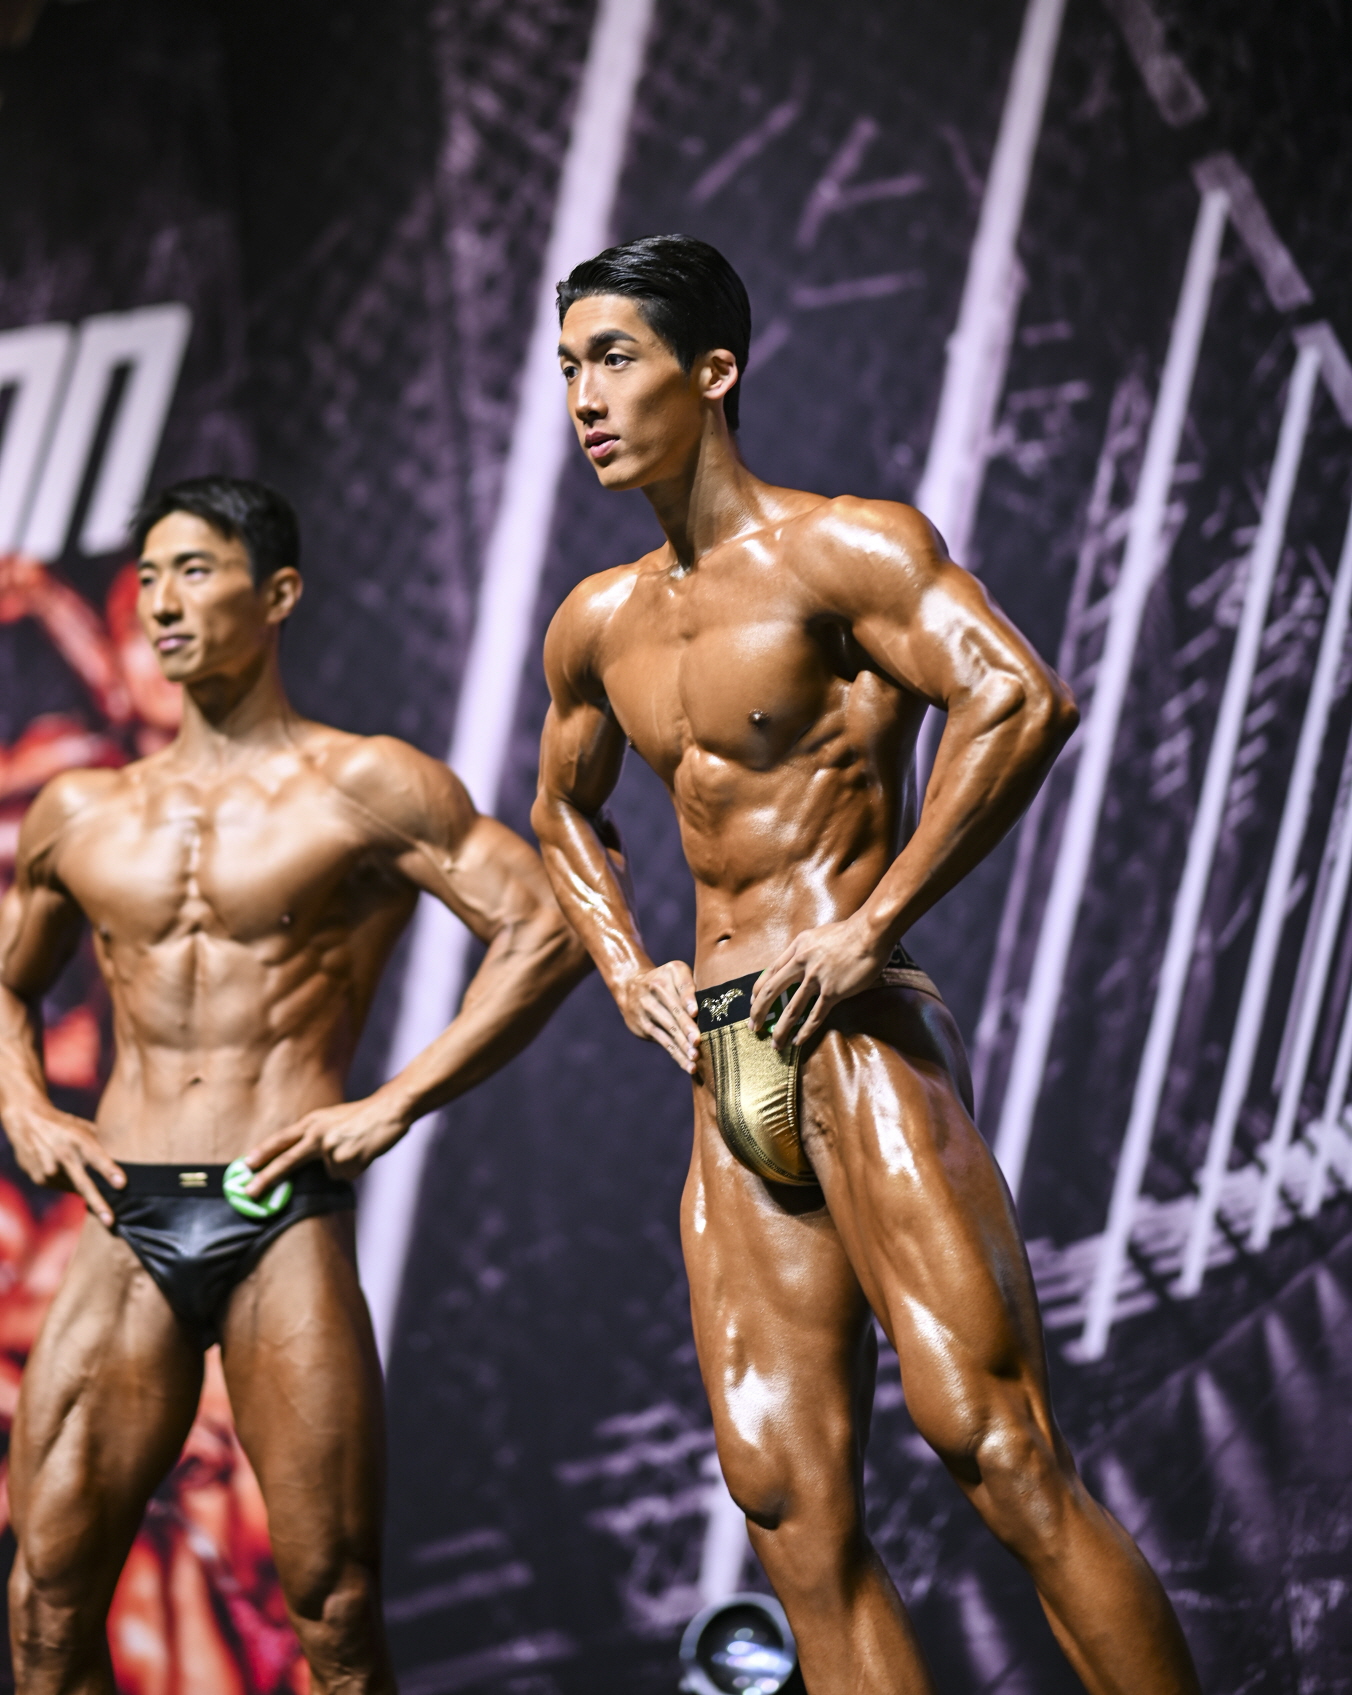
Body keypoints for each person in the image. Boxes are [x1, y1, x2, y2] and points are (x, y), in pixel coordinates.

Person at [532, 237, 1202, 1695]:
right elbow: (562, 813)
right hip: (723, 1063)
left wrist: (870, 922)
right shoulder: (598, 621)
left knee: (997, 1445)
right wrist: (626, 967)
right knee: (788, 1508)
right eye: (569, 364)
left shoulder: (843, 549)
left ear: (713, 371)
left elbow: (1016, 696)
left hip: (852, 1033)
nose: (583, 396)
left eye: (615, 358)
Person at [0, 476, 588, 1695]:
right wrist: (23, 1107)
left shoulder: (365, 784)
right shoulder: (83, 810)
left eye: (195, 572)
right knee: (46, 1606)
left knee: (334, 1608)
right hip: (122, 1213)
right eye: (149, 578)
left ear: (277, 595)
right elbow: (8, 985)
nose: (163, 603)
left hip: (278, 1210)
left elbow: (545, 927)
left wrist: (394, 1101)